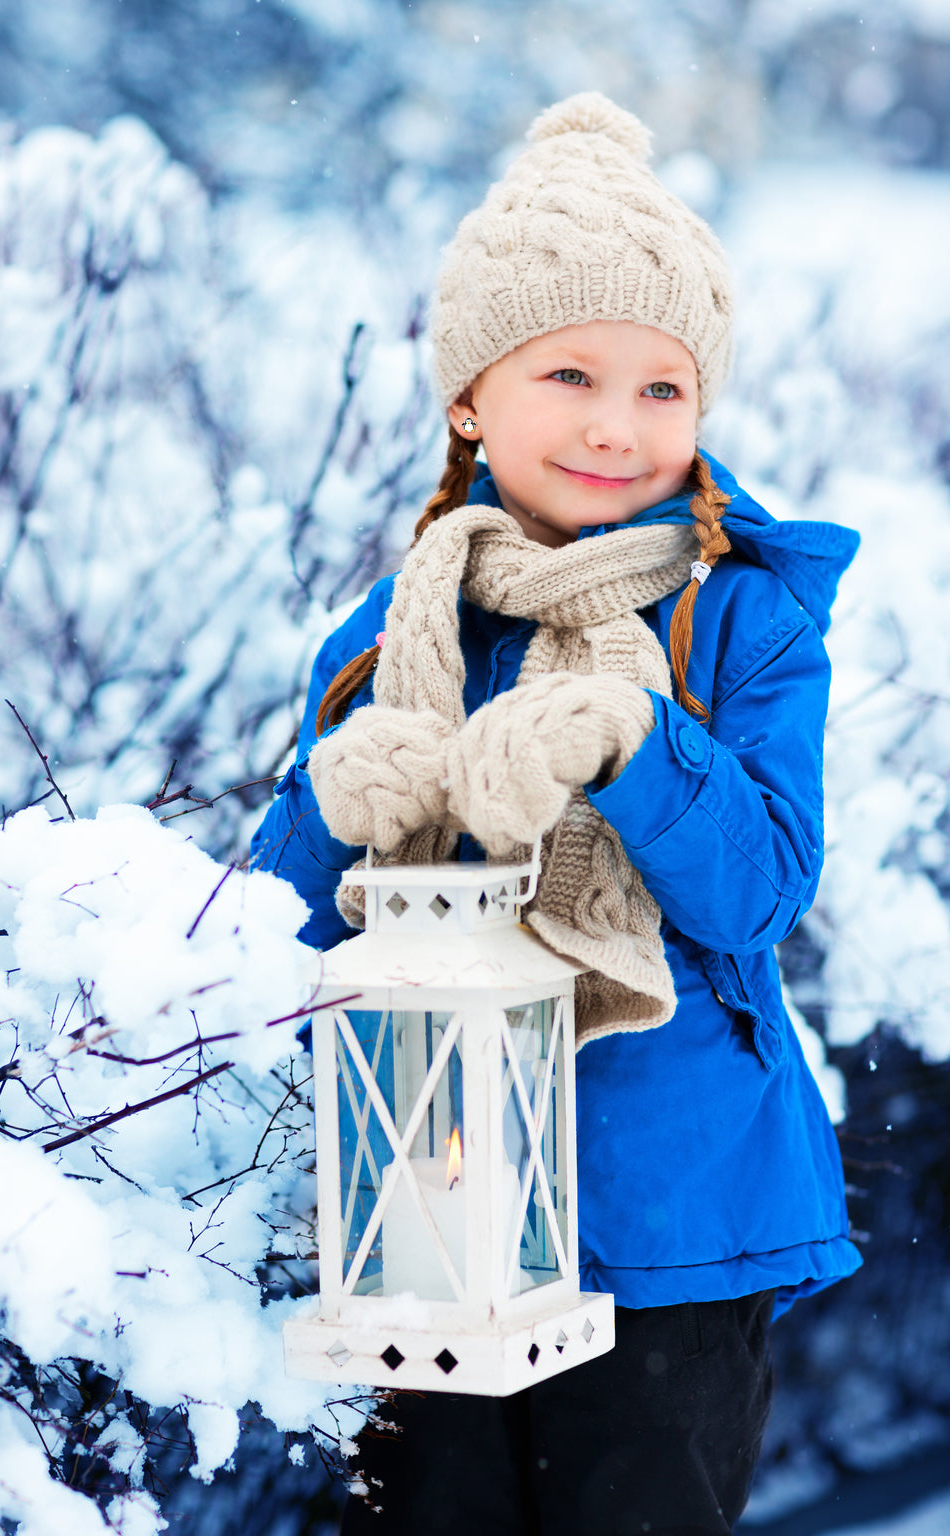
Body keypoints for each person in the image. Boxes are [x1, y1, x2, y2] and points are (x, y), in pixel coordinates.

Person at [252, 92, 862, 1536]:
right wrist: (334, 805)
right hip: (433, 1215)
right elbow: (277, 931)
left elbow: (760, 893)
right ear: (471, 395)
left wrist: (635, 742)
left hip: (673, 1231)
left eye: (664, 389)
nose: (617, 424)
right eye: (571, 373)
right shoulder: (386, 636)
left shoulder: (744, 624)